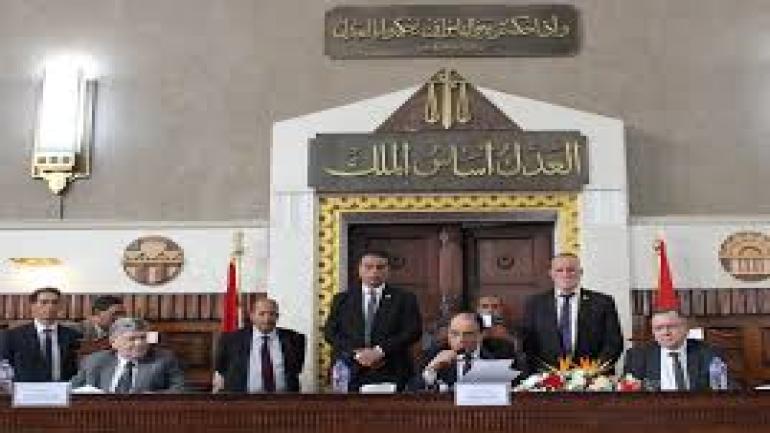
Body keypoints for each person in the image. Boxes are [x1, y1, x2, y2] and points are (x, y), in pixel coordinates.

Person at [324, 250, 422, 391]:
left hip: (392, 369)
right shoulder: (342, 299)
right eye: (368, 267)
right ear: (359, 269)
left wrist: (379, 351)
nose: (374, 272)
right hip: (350, 369)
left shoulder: (405, 298)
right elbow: (330, 333)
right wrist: (358, 353)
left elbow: (413, 331)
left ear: (388, 270)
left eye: (380, 267)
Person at [522, 253, 623, 372]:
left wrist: (594, 370)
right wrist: (543, 371)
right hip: (546, 376)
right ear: (551, 274)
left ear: (581, 272)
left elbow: (613, 342)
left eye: (571, 270)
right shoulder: (535, 304)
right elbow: (528, 344)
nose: (565, 274)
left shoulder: (603, 302)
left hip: (593, 377)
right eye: (559, 270)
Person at [408, 312, 525, 391]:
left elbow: (519, 388)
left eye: (468, 334)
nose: (461, 340)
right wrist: (431, 370)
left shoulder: (502, 354)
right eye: (454, 334)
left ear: (481, 335)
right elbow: (412, 390)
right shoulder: (434, 354)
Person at [213, 297, 306, 393]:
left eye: (272, 314)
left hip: (285, 399)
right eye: (262, 314)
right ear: (252, 316)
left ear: (277, 317)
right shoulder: (230, 340)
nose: (267, 319)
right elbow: (221, 368)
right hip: (242, 399)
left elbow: (296, 370)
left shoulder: (295, 339)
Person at [71, 317, 185, 392]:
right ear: (114, 342)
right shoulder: (94, 361)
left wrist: (154, 398)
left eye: (143, 338)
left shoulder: (164, 359)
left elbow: (181, 389)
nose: (139, 343)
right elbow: (72, 389)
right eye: (132, 339)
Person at [623, 309, 729, 391]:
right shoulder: (637, 356)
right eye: (659, 328)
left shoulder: (709, 353)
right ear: (653, 332)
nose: (666, 332)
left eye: (672, 327)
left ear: (686, 329)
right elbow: (628, 395)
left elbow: (727, 389)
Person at [0, 287, 81, 381]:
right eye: (44, 302)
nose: (50, 306)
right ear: (33, 306)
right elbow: (4, 368)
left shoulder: (73, 335)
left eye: (54, 303)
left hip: (63, 388)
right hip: (27, 388)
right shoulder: (12, 336)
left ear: (60, 307)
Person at [476, 294, 527, 369]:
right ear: (478, 310)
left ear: (502, 309)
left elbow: (524, 360)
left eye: (495, 306)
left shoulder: (517, 331)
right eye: (485, 306)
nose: (490, 310)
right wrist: (479, 339)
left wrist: (508, 337)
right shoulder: (471, 330)